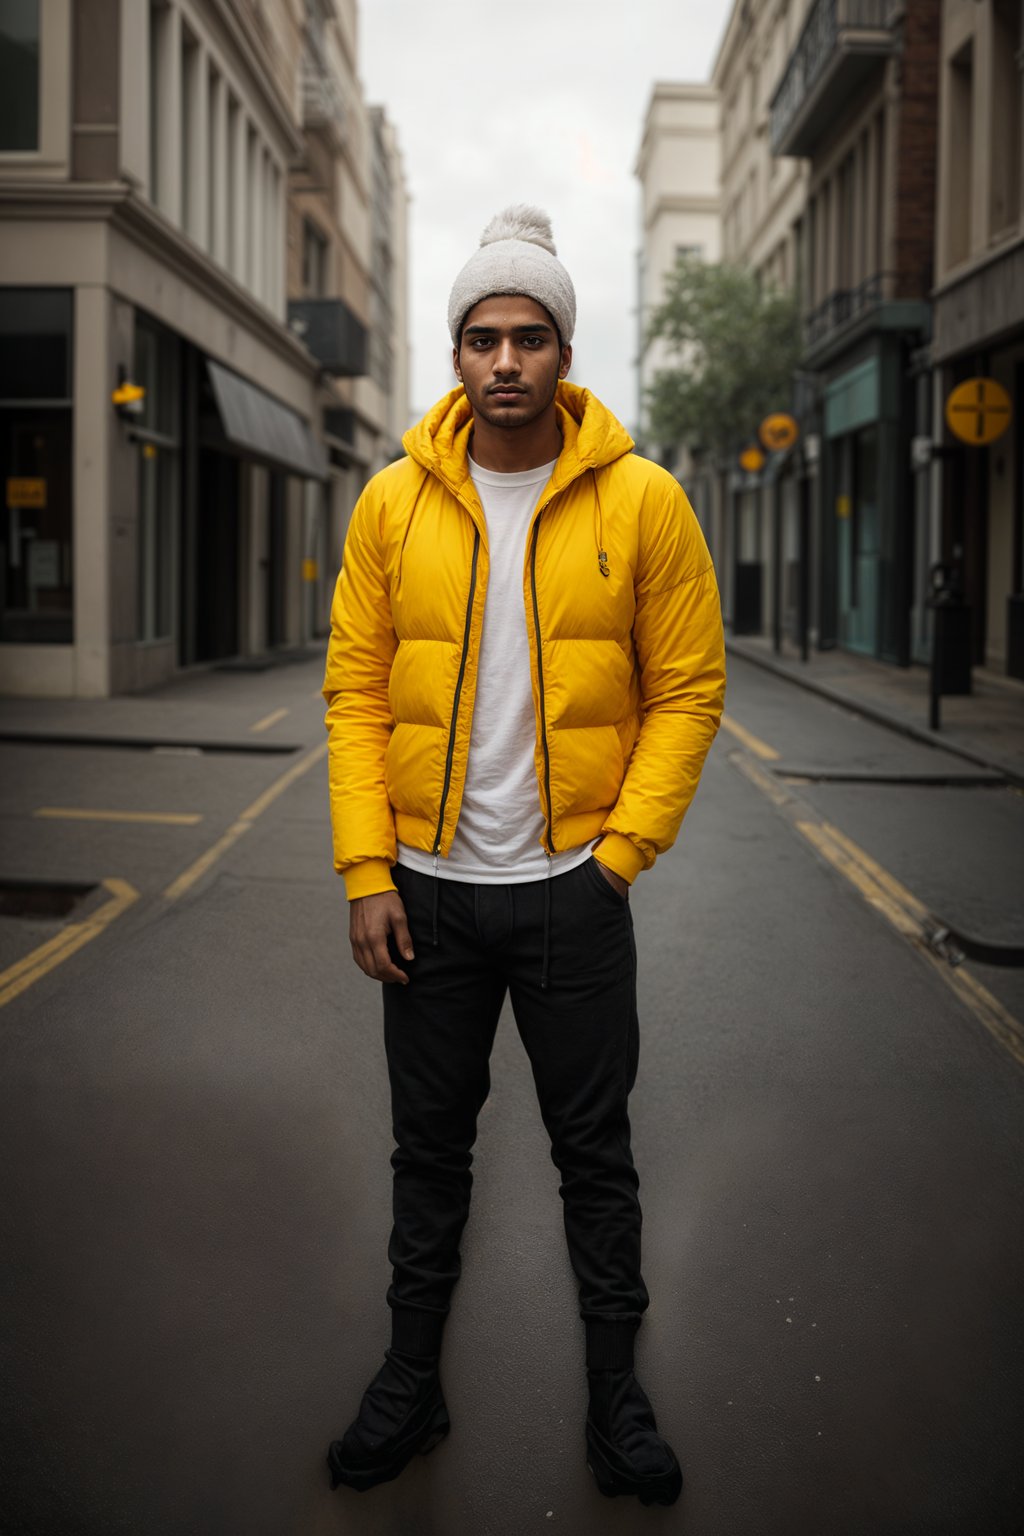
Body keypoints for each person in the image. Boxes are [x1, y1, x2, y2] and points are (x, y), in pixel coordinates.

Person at [322, 205, 725, 1507]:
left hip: (571, 896)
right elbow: (355, 697)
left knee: (594, 1156)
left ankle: (617, 1402)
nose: (505, 359)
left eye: (530, 337)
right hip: (429, 892)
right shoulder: (391, 506)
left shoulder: (645, 501)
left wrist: (619, 857)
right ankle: (407, 1385)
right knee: (426, 1158)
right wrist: (367, 873)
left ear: (565, 352)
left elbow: (690, 690)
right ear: (456, 357)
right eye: (483, 337)